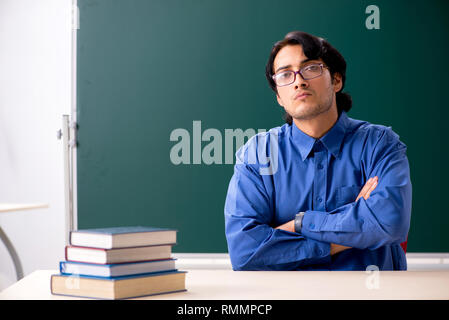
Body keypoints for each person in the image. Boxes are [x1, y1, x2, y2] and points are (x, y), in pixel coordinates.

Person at [224, 31, 412, 271]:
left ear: (336, 80)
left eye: (311, 68)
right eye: (285, 75)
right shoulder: (258, 154)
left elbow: (389, 221)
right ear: (279, 97)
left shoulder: (379, 144)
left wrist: (300, 223)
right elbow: (245, 252)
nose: (298, 81)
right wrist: (354, 226)